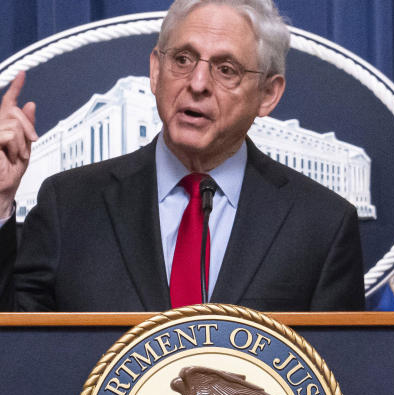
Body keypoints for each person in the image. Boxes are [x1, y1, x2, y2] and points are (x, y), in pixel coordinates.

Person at [0, 0, 365, 312]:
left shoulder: (322, 226)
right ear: (156, 71)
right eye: (183, 59)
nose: (197, 83)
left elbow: (338, 380)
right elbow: (17, 354)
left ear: (268, 94)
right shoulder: (69, 205)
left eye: (226, 70)